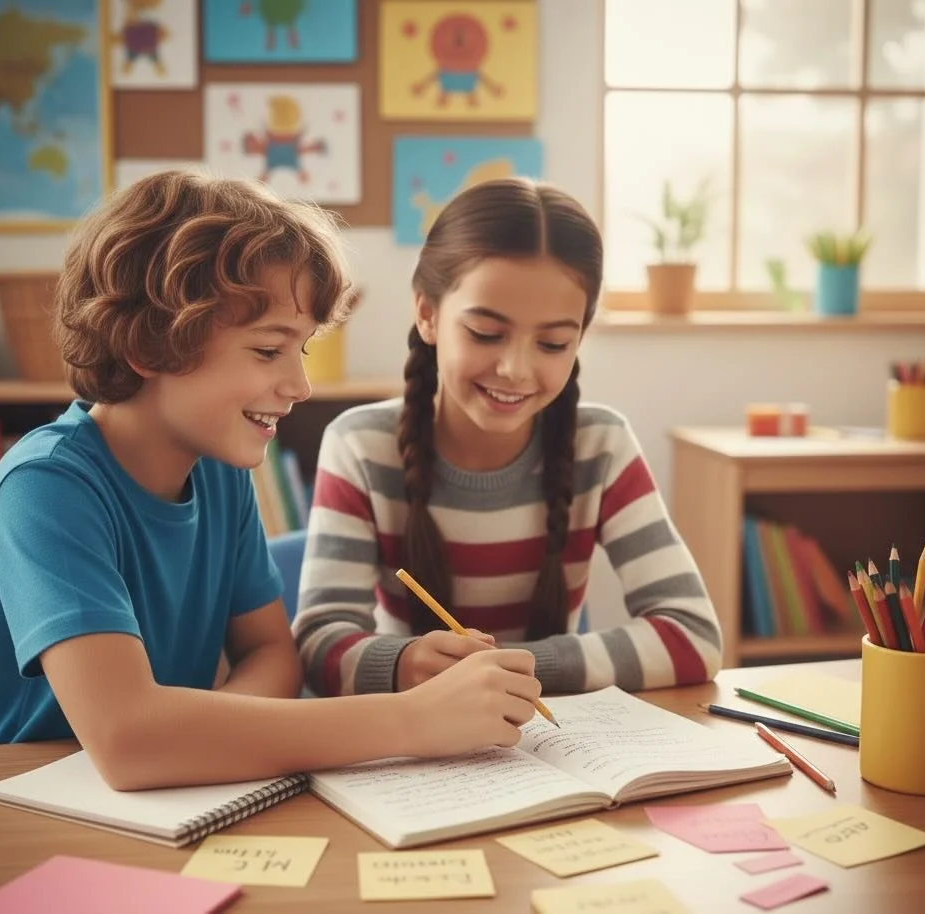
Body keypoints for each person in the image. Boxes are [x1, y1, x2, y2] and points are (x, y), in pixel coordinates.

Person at [0, 171, 542, 787]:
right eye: (266, 350)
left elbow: (272, 656)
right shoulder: (45, 488)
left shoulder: (219, 471)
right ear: (150, 345)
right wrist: (410, 721)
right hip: (10, 810)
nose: (300, 387)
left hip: (168, 794)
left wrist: (201, 733)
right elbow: (127, 740)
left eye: (302, 350)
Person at [293, 177, 722, 698]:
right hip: (409, 743)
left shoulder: (601, 445)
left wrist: (518, 669)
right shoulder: (360, 445)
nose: (516, 369)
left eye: (553, 342)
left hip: (550, 743)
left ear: (579, 338)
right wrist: (410, 664)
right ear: (428, 313)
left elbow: (693, 634)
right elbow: (318, 647)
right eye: (485, 334)